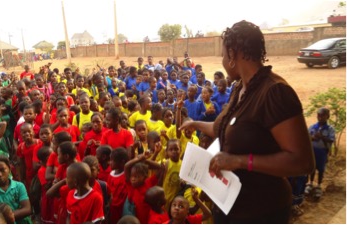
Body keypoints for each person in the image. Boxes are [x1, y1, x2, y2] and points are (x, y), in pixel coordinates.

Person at [179, 20, 315, 223]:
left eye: (224, 55)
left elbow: (303, 161)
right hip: (229, 206)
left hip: (261, 212)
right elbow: (223, 129)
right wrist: (194, 123)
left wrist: (241, 161)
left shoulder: (275, 92)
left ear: (233, 55)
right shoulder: (239, 89)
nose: (223, 61)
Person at [0, 155, 32, 223]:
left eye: (2, 170)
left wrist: (6, 217)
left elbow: (27, 209)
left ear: (9, 169)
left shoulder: (19, 186)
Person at [124, 151, 163, 223]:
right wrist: (138, 159)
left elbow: (159, 168)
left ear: (145, 176)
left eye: (137, 176)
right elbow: (126, 166)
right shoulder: (131, 186)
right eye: (132, 176)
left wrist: (145, 160)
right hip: (135, 220)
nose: (133, 179)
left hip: (149, 218)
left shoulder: (148, 182)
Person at [305, 107, 335, 199]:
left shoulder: (330, 129)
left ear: (328, 116)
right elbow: (307, 138)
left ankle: (318, 185)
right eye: (319, 115)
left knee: (321, 168)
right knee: (312, 167)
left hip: (322, 152)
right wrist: (313, 138)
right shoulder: (312, 127)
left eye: (323, 116)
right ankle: (310, 183)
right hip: (313, 151)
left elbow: (331, 140)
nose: (320, 117)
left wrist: (321, 137)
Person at [108, 148, 129, 223]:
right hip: (113, 207)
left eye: (112, 161)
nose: (110, 163)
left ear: (122, 162)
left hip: (123, 207)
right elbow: (109, 191)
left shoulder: (126, 175)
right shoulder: (111, 174)